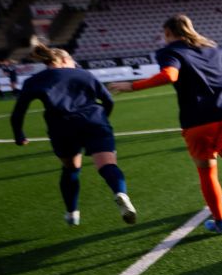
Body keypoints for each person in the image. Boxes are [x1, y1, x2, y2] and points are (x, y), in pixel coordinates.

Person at [109, 14, 222, 234]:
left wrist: (132, 86)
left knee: (207, 173)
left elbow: (170, 75)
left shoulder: (171, 51)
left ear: (168, 33)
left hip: (197, 121)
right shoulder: (219, 49)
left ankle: (220, 222)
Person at [10, 38, 136, 227]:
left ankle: (72, 213)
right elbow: (108, 100)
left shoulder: (34, 81)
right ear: (63, 60)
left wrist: (19, 135)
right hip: (95, 121)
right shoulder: (84, 74)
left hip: (62, 126)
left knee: (70, 168)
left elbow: (18, 112)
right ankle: (120, 193)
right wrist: (103, 120)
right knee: (107, 164)